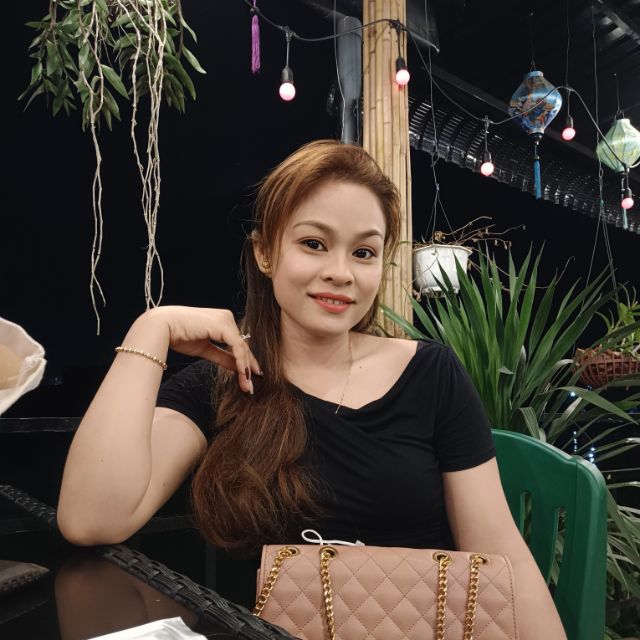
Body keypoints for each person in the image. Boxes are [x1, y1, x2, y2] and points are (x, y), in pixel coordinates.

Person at [57, 139, 566, 639]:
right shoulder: (223, 382)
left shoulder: (432, 374)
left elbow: (501, 555)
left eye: (363, 252)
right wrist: (151, 329)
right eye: (314, 244)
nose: (340, 273)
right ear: (264, 252)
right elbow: (90, 520)